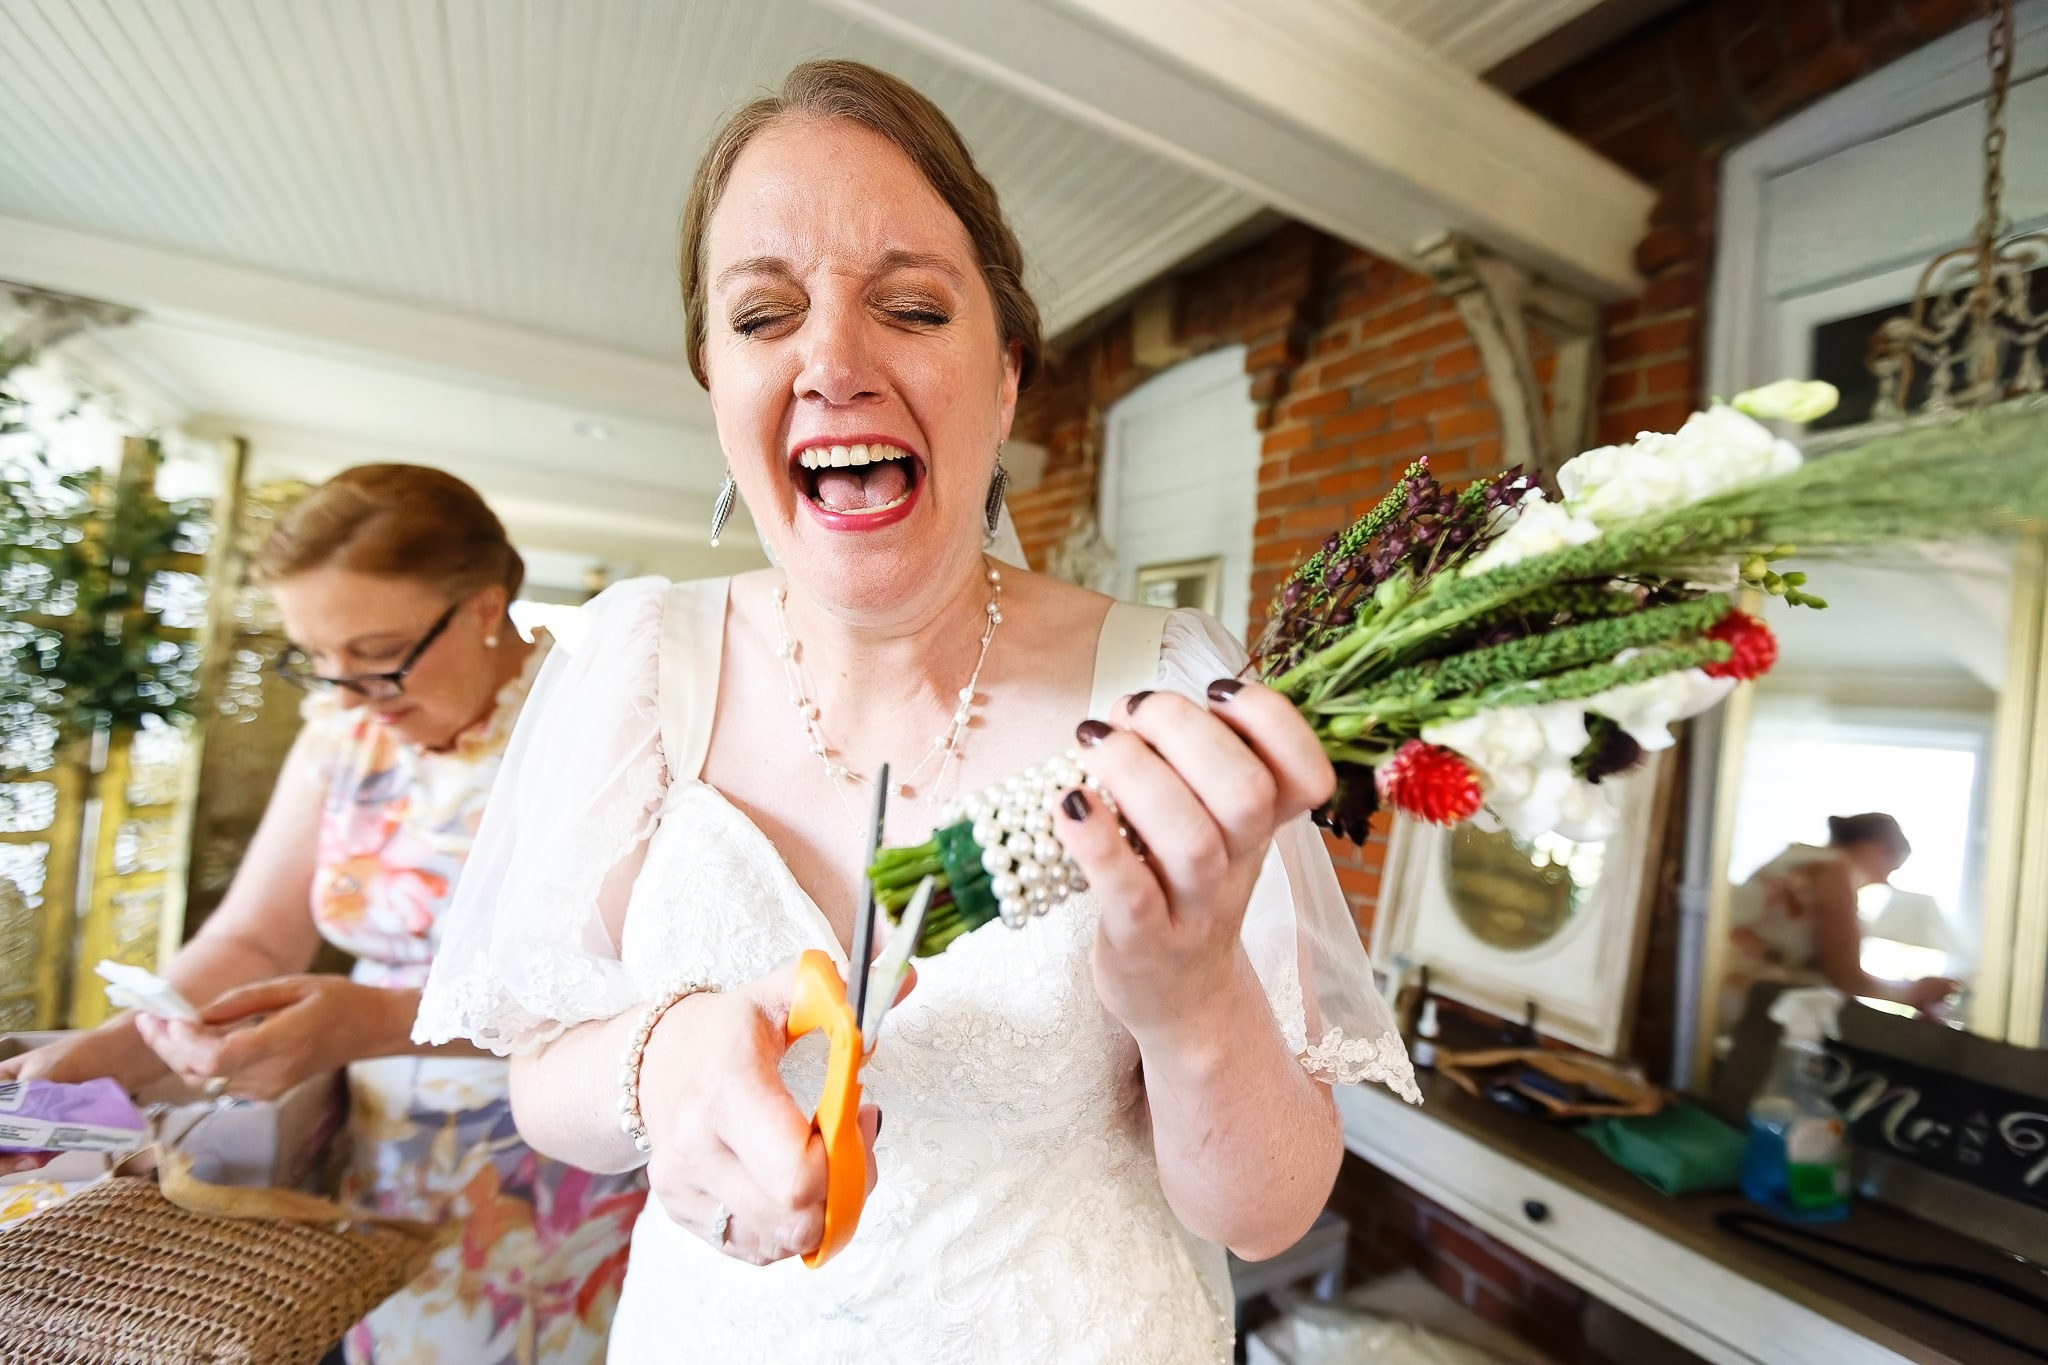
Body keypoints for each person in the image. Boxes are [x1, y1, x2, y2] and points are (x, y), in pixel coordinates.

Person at [415, 60, 1414, 1363]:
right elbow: (543, 1077)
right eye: (765, 316)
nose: (832, 360)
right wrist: (654, 1059)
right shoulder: (631, 664)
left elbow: (1269, 1212)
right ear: (714, 382)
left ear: (1004, 378)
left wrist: (1190, 999)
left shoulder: (1171, 690)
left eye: (909, 306)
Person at [0, 465, 644, 1364]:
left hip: (563, 1149)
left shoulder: (604, 725)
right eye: (318, 658)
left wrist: (373, 1019)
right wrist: (106, 1056)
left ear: (486, 605)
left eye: (378, 656)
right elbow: (254, 938)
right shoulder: (342, 733)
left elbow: (625, 978)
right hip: (374, 1158)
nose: (345, 694)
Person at [1722, 812, 1961, 1027]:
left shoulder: (1799, 859)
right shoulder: (1835, 872)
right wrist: (1912, 991)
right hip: (1749, 1005)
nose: (1883, 881)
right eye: (1890, 868)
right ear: (1874, 848)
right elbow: (1845, 976)